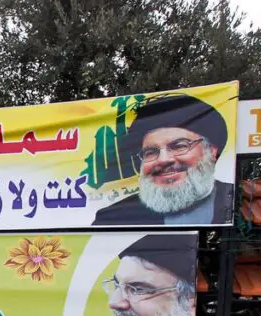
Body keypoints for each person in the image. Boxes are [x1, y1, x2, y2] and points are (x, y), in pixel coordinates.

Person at [93, 94, 233, 226]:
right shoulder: (113, 217)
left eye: (179, 146)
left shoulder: (237, 202)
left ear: (212, 151)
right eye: (151, 152)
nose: (164, 160)